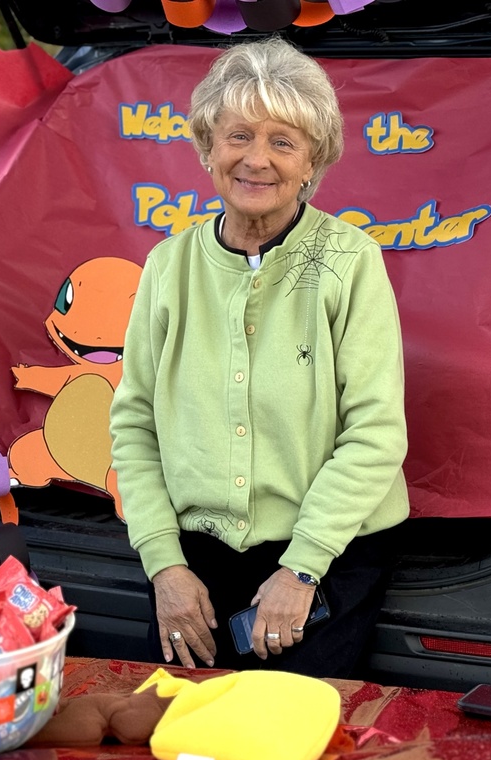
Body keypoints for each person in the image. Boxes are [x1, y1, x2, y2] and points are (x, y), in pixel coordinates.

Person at [109, 37, 410, 677]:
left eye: (283, 141)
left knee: (287, 731)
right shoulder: (169, 265)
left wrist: (301, 568)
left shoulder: (351, 260)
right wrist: (165, 566)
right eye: (238, 135)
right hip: (195, 555)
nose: (257, 159)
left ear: (313, 161)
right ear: (208, 149)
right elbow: (133, 425)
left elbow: (376, 434)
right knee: (172, 724)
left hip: (330, 550)